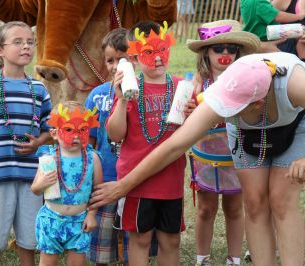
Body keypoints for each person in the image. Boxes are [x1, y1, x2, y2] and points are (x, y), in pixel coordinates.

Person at [91, 52, 305, 266]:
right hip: (245, 132)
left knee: (281, 200)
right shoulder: (221, 94)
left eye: (231, 109)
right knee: (255, 202)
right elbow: (173, 146)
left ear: (257, 104)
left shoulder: (295, 84)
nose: (224, 113)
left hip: (295, 126)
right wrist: (123, 186)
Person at [0, 21, 52, 266]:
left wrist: (39, 142)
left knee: (29, 238)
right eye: (18, 42)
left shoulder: (39, 89)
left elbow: (49, 130)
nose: (26, 46)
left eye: (29, 42)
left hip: (30, 178)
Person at [106, 20, 185, 266]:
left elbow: (194, 130)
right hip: (137, 182)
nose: (158, 58)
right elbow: (115, 135)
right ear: (134, 56)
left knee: (171, 240)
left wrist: (193, 113)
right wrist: (120, 101)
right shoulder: (130, 88)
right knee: (140, 239)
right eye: (149, 52)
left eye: (162, 49)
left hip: (171, 180)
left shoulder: (182, 87)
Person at [186, 20, 260, 266]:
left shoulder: (246, 79)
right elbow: (185, 122)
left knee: (235, 208)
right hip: (206, 156)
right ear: (207, 51)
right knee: (206, 209)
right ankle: (202, 259)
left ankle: (234, 259)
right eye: (219, 49)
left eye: (231, 48)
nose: (226, 54)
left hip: (237, 154)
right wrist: (189, 110)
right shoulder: (196, 83)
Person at [31, 101, 102, 266]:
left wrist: (91, 215)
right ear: (55, 133)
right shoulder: (49, 158)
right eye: (69, 129)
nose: (76, 135)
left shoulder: (93, 159)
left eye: (82, 130)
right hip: (51, 219)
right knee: (48, 262)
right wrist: (41, 183)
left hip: (79, 221)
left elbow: (97, 192)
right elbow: (34, 189)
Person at [84, 28, 129, 265]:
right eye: (110, 60)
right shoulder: (97, 95)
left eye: (123, 59)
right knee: (101, 248)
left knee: (133, 243)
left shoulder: (146, 93)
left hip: (134, 179)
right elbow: (89, 141)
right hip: (104, 180)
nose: (115, 66)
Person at [241, 0, 305, 58]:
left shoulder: (244, 2)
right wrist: (298, 16)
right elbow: (278, 16)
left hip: (258, 38)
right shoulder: (259, 3)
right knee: (291, 55)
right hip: (271, 40)